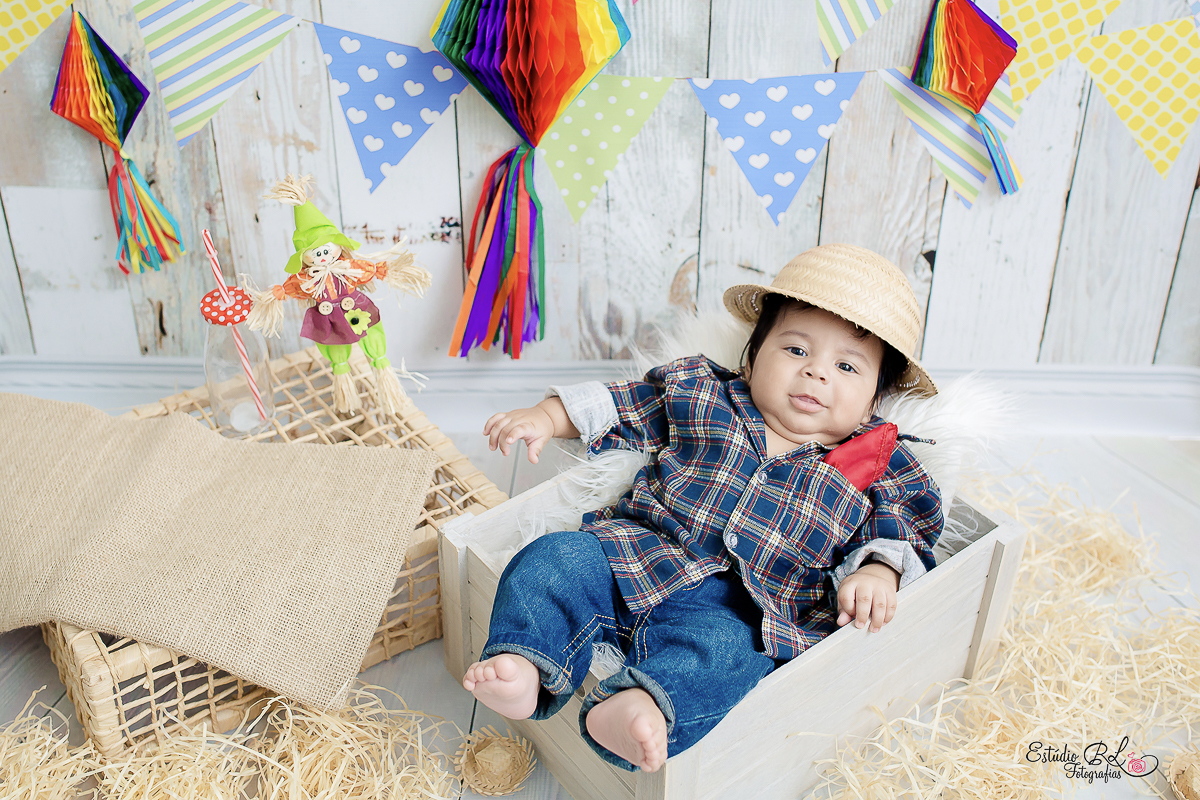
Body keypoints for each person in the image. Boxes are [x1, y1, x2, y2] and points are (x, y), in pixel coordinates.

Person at [464, 244, 944, 773]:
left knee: (726, 660)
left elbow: (907, 524)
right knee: (552, 561)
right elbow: (624, 402)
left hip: (739, 608)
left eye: (847, 366)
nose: (816, 374)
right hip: (635, 552)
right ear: (752, 356)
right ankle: (526, 662)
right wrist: (546, 416)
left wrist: (878, 570)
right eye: (796, 351)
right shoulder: (702, 390)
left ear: (875, 397)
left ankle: (641, 705)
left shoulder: (879, 460)